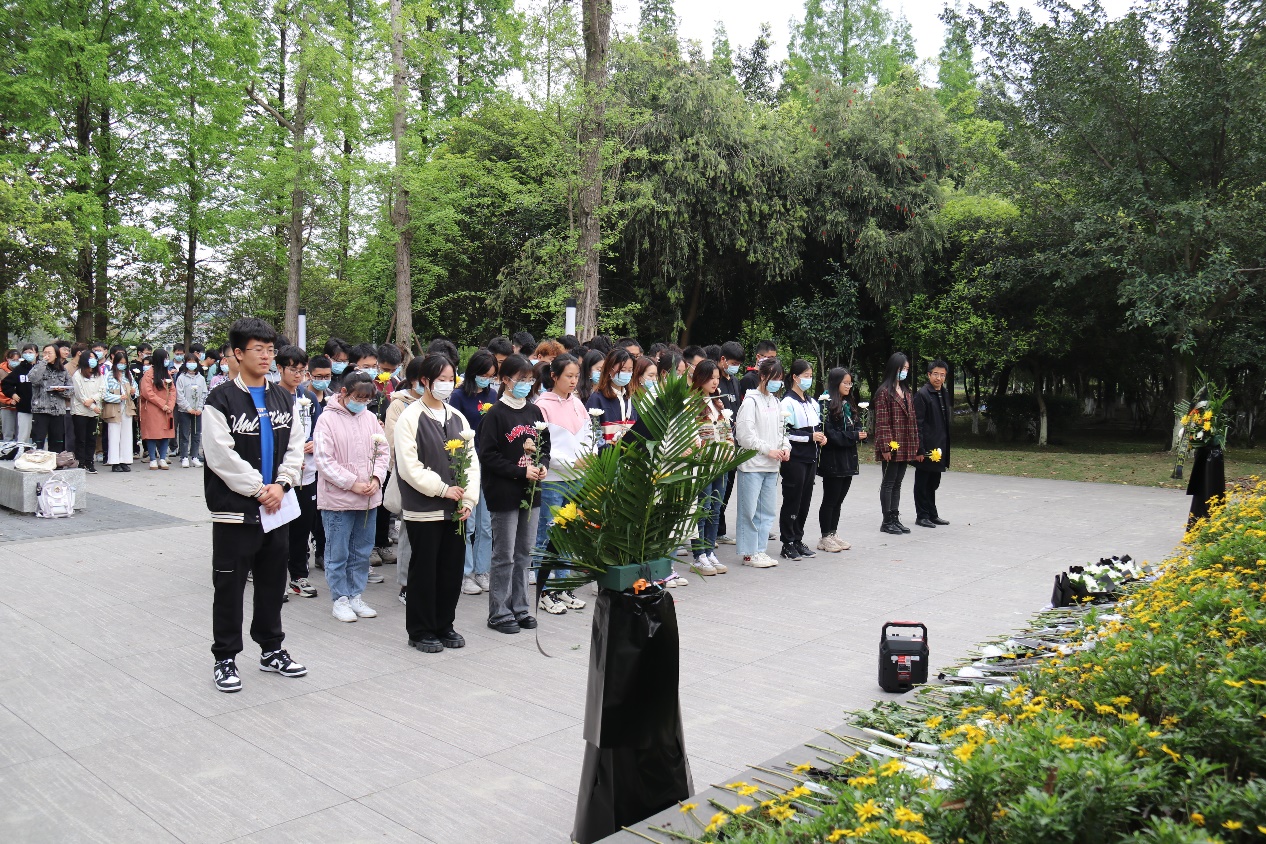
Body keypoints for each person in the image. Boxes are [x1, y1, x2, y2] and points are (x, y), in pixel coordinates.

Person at [203, 317, 307, 693]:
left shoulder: (283, 397)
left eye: (270, 350)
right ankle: (225, 657)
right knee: (229, 587)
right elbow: (220, 455)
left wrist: (282, 484)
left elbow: (295, 446)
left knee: (272, 583)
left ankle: (271, 649)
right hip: (236, 511)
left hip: (276, 510)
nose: (265, 356)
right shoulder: (220, 400)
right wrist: (259, 489)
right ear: (237, 353)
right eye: (257, 349)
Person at [394, 354, 480, 652]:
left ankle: (445, 624)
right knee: (424, 571)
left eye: (450, 379)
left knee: (451, 570)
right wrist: (442, 489)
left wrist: (468, 498)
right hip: (424, 509)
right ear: (425, 381)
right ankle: (420, 630)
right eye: (440, 379)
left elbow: (471, 463)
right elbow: (409, 467)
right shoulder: (410, 417)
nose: (446, 384)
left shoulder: (457, 417)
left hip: (456, 510)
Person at [478, 354, 548, 634]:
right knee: (504, 554)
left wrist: (542, 465)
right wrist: (520, 472)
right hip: (505, 492)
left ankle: (520, 607)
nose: (526, 384)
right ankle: (499, 612)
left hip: (531, 492)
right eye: (521, 380)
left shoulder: (534, 412)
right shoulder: (495, 414)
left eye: (530, 380)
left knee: (524, 552)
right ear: (505, 380)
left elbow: (545, 444)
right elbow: (488, 455)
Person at [313, 371, 390, 623]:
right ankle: (340, 598)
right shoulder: (327, 419)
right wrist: (352, 483)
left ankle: (356, 594)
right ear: (344, 393)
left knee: (362, 551)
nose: (363, 403)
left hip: (368, 497)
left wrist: (376, 478)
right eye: (359, 397)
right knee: (337, 552)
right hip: (338, 499)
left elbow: (383, 452)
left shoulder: (369, 418)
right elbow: (324, 460)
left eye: (367, 399)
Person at [534, 354, 590, 614]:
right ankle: (544, 590)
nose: (573, 381)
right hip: (553, 479)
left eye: (576, 376)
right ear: (554, 376)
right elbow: (542, 447)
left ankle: (563, 586)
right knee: (548, 534)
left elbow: (588, 435)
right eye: (568, 376)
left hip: (577, 477)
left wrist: (588, 457)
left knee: (570, 533)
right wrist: (570, 462)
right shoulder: (541, 405)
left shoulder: (577, 403)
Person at [450, 349, 498, 597]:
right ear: (473, 373)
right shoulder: (458, 396)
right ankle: (465, 572)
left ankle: (482, 570)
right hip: (467, 463)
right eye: (483, 375)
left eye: (491, 376)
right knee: (467, 522)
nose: (486, 380)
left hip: (488, 465)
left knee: (486, 524)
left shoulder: (493, 395)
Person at [734, 357, 789, 568]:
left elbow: (782, 430)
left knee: (766, 511)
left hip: (772, 466)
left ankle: (760, 550)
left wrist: (785, 447)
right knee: (749, 511)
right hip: (752, 465)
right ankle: (749, 553)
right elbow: (745, 436)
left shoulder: (775, 402)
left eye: (780, 378)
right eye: (773, 378)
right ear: (763, 376)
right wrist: (768, 450)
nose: (777, 382)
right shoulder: (750, 401)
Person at [275, 345, 320, 599]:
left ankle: (299, 576)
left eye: (302, 371)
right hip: (281, 475)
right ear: (279, 368)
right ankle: (275, 578)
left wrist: (314, 443)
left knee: (302, 527)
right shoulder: (271, 397)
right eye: (293, 369)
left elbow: (320, 430)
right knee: (279, 529)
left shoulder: (309, 398)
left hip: (307, 473)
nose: (298, 375)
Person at [383, 356, 424, 604]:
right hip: (409, 475)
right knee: (409, 530)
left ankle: (426, 580)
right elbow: (393, 443)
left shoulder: (441, 405)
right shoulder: (399, 405)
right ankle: (406, 583)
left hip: (436, 477)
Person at [776, 360, 824, 560]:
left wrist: (820, 437)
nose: (808, 379)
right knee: (793, 499)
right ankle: (787, 542)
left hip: (811, 457)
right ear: (795, 377)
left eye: (810, 376)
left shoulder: (812, 402)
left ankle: (797, 538)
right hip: (795, 458)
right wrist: (809, 437)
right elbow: (785, 432)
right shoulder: (787, 402)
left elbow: (817, 427)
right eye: (805, 376)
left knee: (805, 500)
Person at [816, 367, 864, 552]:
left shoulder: (848, 404)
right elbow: (831, 434)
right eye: (845, 383)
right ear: (836, 383)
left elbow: (856, 425)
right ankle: (824, 537)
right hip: (833, 460)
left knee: (839, 500)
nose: (848, 386)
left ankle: (833, 532)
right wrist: (853, 436)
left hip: (848, 459)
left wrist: (858, 433)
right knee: (830, 499)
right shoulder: (825, 404)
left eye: (850, 383)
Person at [690, 360, 731, 575]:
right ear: (700, 378)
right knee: (702, 509)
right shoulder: (691, 404)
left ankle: (709, 550)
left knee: (715, 508)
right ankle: (699, 555)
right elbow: (691, 435)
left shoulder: (717, 403)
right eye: (711, 378)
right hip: (703, 464)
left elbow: (727, 431)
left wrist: (729, 449)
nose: (715, 382)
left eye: (717, 378)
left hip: (720, 463)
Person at [874, 352, 922, 534]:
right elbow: (882, 422)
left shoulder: (906, 392)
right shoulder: (884, 392)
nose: (905, 372)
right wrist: (886, 446)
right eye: (903, 368)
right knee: (888, 482)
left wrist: (915, 444)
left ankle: (895, 517)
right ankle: (886, 521)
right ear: (894, 368)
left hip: (905, 443)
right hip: (892, 445)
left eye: (907, 369)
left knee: (897, 482)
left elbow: (913, 420)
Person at [913, 359, 952, 528]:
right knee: (923, 483)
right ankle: (922, 515)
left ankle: (932, 514)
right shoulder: (922, 394)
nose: (938, 378)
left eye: (942, 375)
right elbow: (918, 424)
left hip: (940, 446)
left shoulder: (943, 392)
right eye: (935, 374)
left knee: (933, 482)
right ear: (929, 375)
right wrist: (919, 449)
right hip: (926, 448)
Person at [714, 340, 745, 544]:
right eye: (733, 363)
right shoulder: (714, 380)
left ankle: (720, 529)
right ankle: (711, 530)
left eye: (738, 364)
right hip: (717, 442)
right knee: (717, 489)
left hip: (733, 441)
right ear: (723, 359)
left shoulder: (734, 380)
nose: (735, 367)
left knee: (728, 487)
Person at [585, 348, 637, 446]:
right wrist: (607, 451)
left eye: (630, 370)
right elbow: (592, 434)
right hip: (605, 454)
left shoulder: (630, 399)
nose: (626, 374)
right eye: (622, 370)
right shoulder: (597, 398)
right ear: (609, 369)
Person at [28, 344, 71, 453]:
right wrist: (43, 363)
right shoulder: (39, 367)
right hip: (41, 409)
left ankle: (54, 460)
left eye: (49, 353)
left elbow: (70, 390)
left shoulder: (63, 370)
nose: (47, 355)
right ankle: (37, 460)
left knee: (57, 441)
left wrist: (61, 391)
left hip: (58, 410)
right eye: (45, 352)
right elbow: (33, 378)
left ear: (56, 355)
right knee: (38, 440)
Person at [139, 348, 177, 469]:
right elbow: (147, 393)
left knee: (166, 433)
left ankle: (162, 458)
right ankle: (152, 459)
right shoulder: (148, 374)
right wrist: (162, 404)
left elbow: (173, 391)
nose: (167, 360)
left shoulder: (167, 374)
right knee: (152, 434)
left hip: (167, 409)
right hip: (153, 408)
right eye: (165, 358)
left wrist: (170, 405)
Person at [70, 350, 104, 473]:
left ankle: (90, 462)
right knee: (81, 438)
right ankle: (80, 462)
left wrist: (93, 401)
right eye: (90, 357)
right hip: (80, 411)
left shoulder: (99, 375)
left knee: (91, 438)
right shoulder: (77, 375)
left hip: (94, 410)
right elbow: (79, 394)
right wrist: (91, 405)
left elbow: (102, 390)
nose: (93, 360)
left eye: (94, 357)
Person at [102, 351, 137, 472]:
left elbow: (136, 390)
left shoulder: (129, 375)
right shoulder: (109, 375)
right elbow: (104, 393)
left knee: (126, 435)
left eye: (124, 363)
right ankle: (114, 462)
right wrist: (117, 397)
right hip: (114, 408)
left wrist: (133, 392)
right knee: (114, 435)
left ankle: (125, 460)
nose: (122, 365)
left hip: (126, 408)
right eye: (120, 363)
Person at [175, 354, 208, 468]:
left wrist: (199, 408)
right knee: (184, 434)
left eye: (194, 362)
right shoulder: (181, 378)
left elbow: (204, 393)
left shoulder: (201, 378)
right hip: (184, 411)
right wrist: (188, 408)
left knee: (196, 434)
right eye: (189, 361)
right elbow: (179, 395)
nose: (192, 364)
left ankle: (194, 456)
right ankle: (184, 456)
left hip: (197, 411)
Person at [2, 345, 37, 444]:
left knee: (38, 436)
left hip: (41, 409)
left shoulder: (41, 368)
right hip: (24, 408)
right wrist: (12, 394)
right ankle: (21, 452)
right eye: (25, 352)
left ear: (36, 354)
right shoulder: (19, 369)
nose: (28, 354)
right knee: (23, 437)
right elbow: (6, 384)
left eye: (30, 352)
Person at [0, 349, 19, 441]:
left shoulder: (21, 370)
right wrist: (9, 400)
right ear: (7, 359)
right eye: (13, 360)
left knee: (20, 434)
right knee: (8, 434)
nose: (15, 362)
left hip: (21, 407)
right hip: (6, 407)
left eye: (17, 360)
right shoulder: (1, 372)